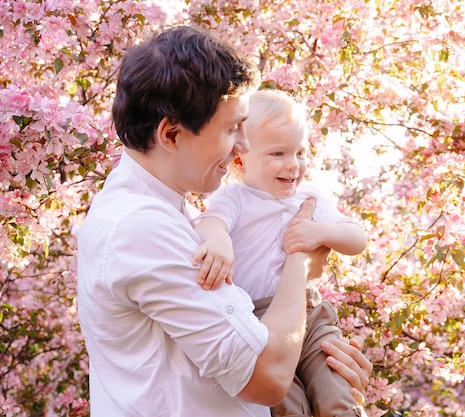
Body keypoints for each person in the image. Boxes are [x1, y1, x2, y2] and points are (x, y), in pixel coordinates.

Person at [76, 25, 372, 417]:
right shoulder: (139, 228)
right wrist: (298, 260)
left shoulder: (175, 211)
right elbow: (266, 377)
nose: (243, 146)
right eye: (232, 129)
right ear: (171, 133)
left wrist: (323, 372)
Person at [192, 89, 369, 417]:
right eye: (278, 153)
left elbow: (357, 238)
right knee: (285, 401)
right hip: (260, 322)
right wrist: (218, 241)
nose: (293, 164)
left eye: (300, 152)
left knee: (335, 387)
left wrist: (320, 232)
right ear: (241, 159)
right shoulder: (234, 199)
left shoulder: (309, 197)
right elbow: (210, 223)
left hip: (311, 314)